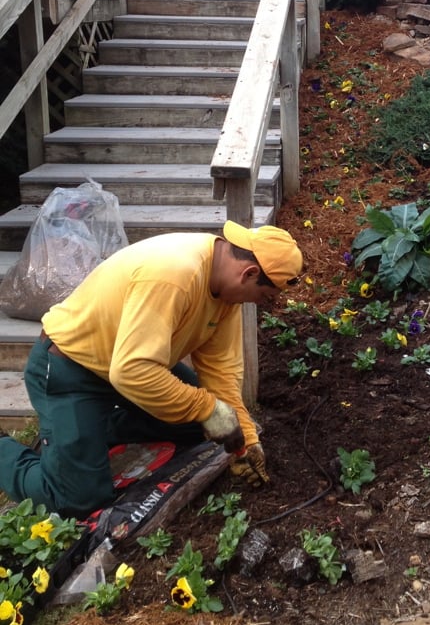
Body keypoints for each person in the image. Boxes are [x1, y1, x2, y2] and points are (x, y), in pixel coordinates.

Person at [0, 222, 302, 518]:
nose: (261, 304)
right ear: (248, 273)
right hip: (70, 370)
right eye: (265, 297)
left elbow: (221, 375)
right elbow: (131, 371)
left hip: (127, 371)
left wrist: (245, 440)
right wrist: (207, 408)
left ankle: (91, 427)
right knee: (79, 499)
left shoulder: (225, 292)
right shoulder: (175, 275)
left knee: (204, 428)